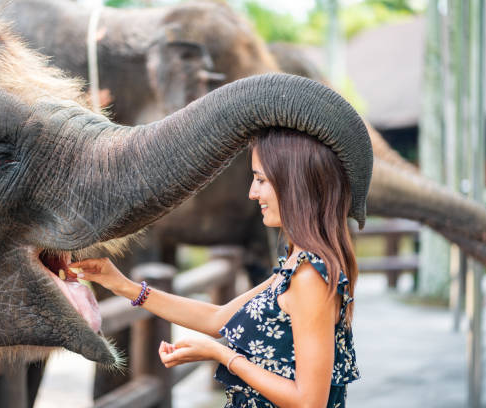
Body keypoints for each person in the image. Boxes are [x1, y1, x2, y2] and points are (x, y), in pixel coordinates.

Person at [69, 127, 363, 407]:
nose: (252, 193)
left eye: (260, 180)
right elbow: (219, 317)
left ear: (293, 183)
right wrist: (123, 286)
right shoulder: (295, 264)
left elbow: (309, 402)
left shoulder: (310, 275)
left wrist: (220, 354)